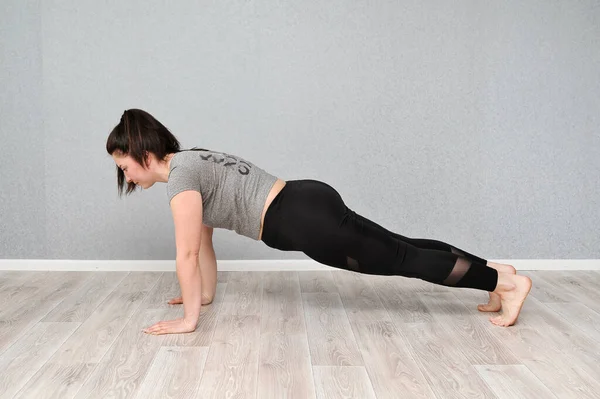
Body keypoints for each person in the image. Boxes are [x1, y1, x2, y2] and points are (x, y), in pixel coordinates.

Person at [106, 109, 532, 335]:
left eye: (125, 166)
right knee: (402, 244)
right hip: (306, 197)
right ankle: (496, 272)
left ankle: (507, 287)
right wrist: (204, 296)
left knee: (402, 259)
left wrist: (189, 319)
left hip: (302, 222)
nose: (126, 176)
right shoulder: (192, 161)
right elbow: (205, 242)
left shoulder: (180, 181)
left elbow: (187, 253)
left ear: (144, 154)